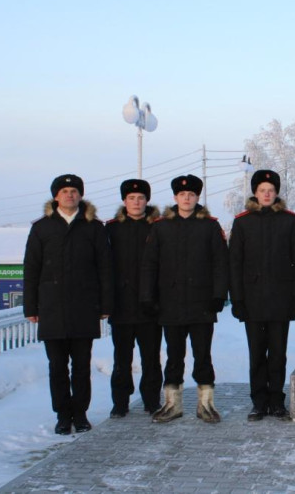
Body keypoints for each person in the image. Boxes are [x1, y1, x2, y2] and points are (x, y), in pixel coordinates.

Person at [23, 174, 113, 435]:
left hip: (84, 307)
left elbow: (104, 268)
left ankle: (81, 413)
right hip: (51, 308)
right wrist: (31, 306)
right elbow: (31, 268)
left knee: (82, 365)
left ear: (81, 195)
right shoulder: (42, 228)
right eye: (64, 191)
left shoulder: (93, 227)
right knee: (56, 366)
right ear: (55, 197)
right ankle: (63, 415)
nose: (69, 195)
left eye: (74, 191)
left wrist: (105, 304)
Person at [140, 174, 229, 424]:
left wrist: (219, 295)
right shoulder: (161, 226)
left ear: (197, 197)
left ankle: (206, 405)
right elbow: (150, 265)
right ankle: (172, 404)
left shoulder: (210, 226)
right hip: (170, 304)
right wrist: (148, 298)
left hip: (202, 305)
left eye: (191, 194)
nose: (186, 198)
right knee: (173, 356)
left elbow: (221, 264)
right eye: (182, 195)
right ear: (175, 197)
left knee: (203, 356)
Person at [229, 170, 295, 421]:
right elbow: (235, 264)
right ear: (255, 192)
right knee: (256, 354)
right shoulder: (242, 222)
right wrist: (237, 299)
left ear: (276, 193)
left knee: (277, 353)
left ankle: (276, 400)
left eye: (271, 190)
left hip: (281, 299)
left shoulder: (289, 220)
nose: (266, 194)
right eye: (262, 190)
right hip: (252, 301)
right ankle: (259, 402)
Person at [105, 179, 162, 418]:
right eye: (131, 198)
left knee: (151, 358)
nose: (136, 202)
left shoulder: (158, 226)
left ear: (147, 200)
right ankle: (120, 402)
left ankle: (151, 401)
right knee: (121, 358)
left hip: (150, 306)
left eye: (140, 198)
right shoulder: (111, 228)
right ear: (124, 201)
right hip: (121, 306)